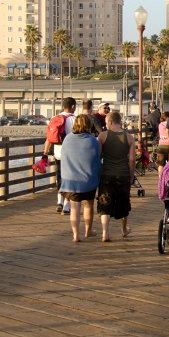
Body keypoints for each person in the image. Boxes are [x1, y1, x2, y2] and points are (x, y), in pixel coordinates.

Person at [59, 114, 102, 242]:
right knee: (88, 205)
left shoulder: (67, 139)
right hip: (88, 179)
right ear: (89, 125)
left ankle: (75, 235)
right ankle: (88, 231)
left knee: (74, 207)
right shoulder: (92, 140)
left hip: (71, 180)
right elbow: (97, 158)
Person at [96, 111, 135, 242]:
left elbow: (98, 157)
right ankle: (124, 230)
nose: (106, 125)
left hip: (107, 174)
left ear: (111, 122)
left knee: (104, 202)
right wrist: (131, 175)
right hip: (123, 174)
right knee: (123, 202)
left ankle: (105, 233)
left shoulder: (102, 136)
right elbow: (132, 160)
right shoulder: (129, 137)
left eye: (106, 123)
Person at [44, 97, 77, 214]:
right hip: (71, 154)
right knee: (70, 179)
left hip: (58, 153)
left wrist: (45, 154)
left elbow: (49, 138)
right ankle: (66, 206)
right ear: (73, 106)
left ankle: (59, 202)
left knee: (60, 177)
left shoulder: (54, 118)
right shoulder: (74, 119)